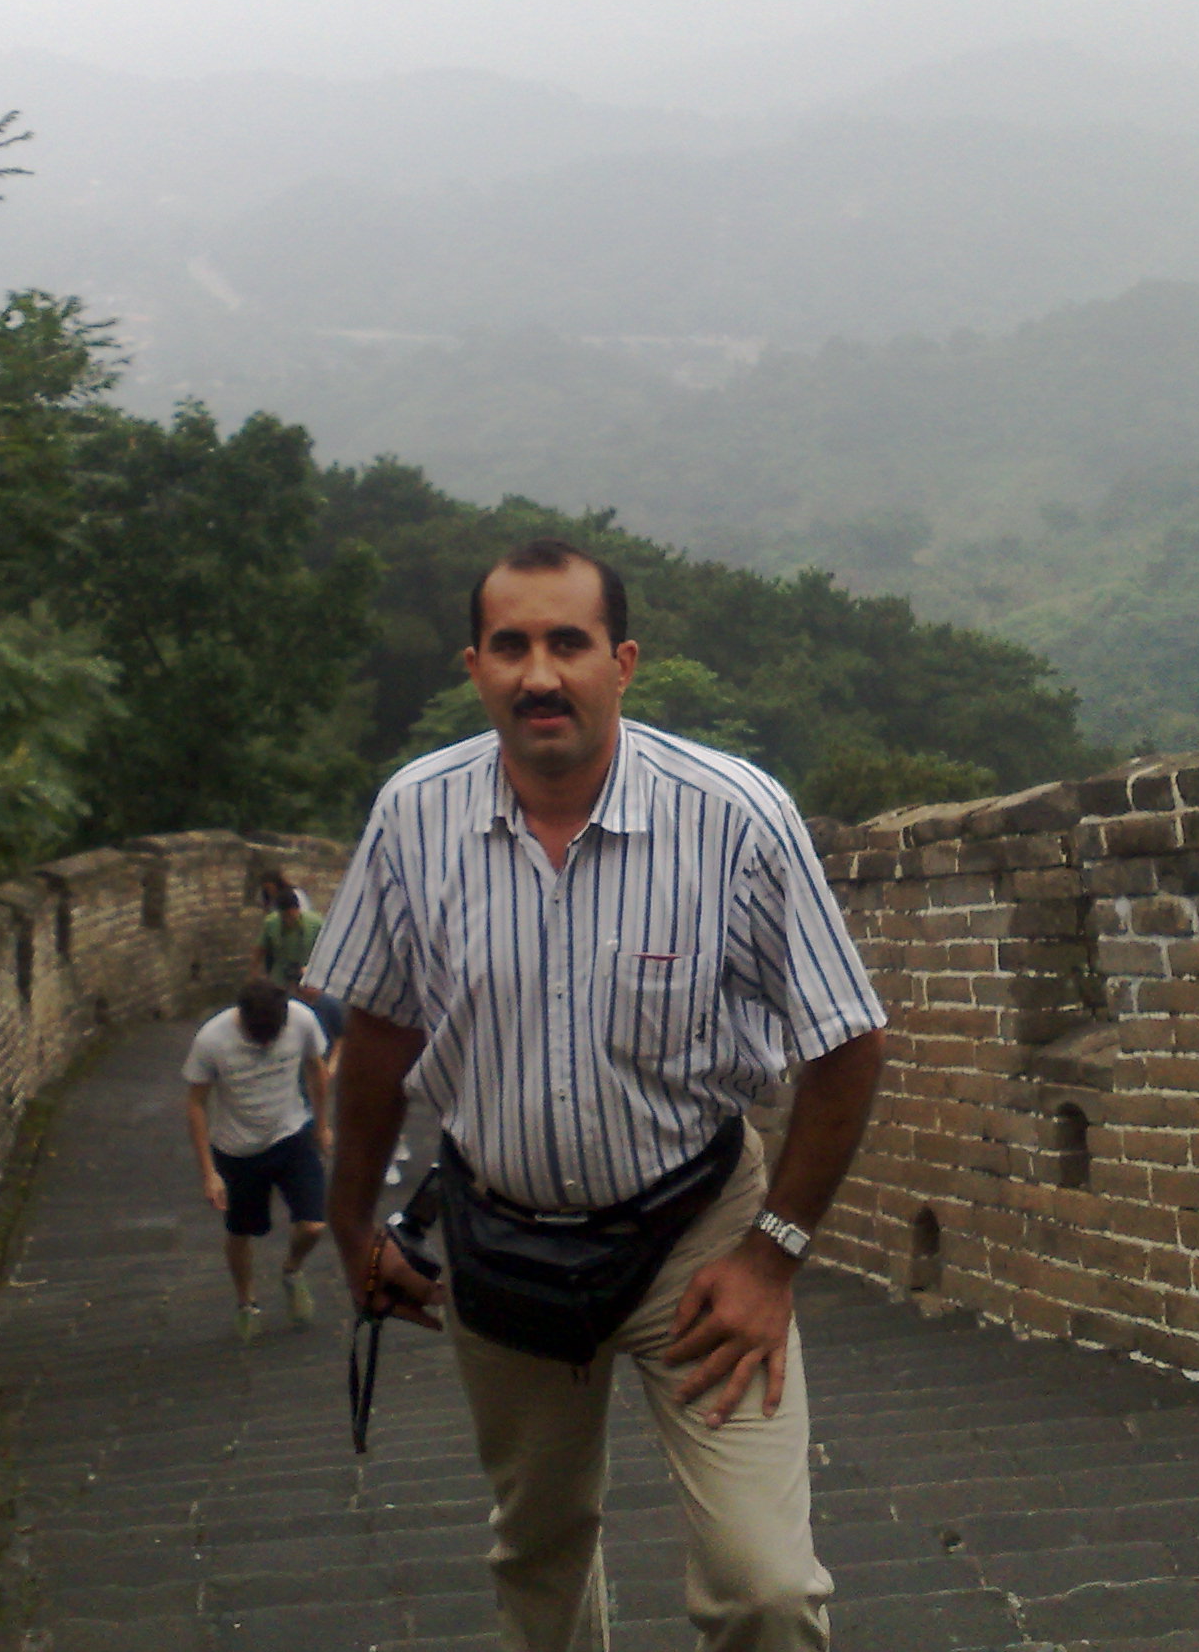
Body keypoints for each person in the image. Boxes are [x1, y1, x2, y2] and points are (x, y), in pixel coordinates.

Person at [309, 539, 886, 1652]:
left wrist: (773, 1256)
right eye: (512, 647)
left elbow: (849, 1041)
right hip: (501, 1240)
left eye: (568, 643)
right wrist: (350, 1226)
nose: (540, 675)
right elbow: (379, 1031)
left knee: (766, 1589)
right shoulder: (413, 816)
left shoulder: (732, 816)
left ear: (621, 662)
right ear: (475, 667)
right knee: (539, 1555)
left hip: (695, 1238)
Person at [183, 975, 332, 1341]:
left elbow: (316, 1069)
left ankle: (292, 1270)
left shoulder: (301, 1019)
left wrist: (322, 1125)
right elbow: (196, 1104)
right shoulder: (212, 1039)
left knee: (314, 1225)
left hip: (292, 1135)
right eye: (257, 1036)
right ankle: (246, 1302)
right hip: (238, 1150)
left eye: (273, 1036)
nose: (266, 1043)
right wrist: (209, 1173)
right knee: (241, 1232)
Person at [254, 876, 340, 1043]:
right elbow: (260, 949)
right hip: (281, 978)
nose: (289, 920)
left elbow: (329, 949)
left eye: (292, 915)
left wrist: (315, 970)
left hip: (308, 978)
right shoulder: (271, 924)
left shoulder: (315, 923)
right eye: (285, 916)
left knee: (318, 1011)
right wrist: (254, 973)